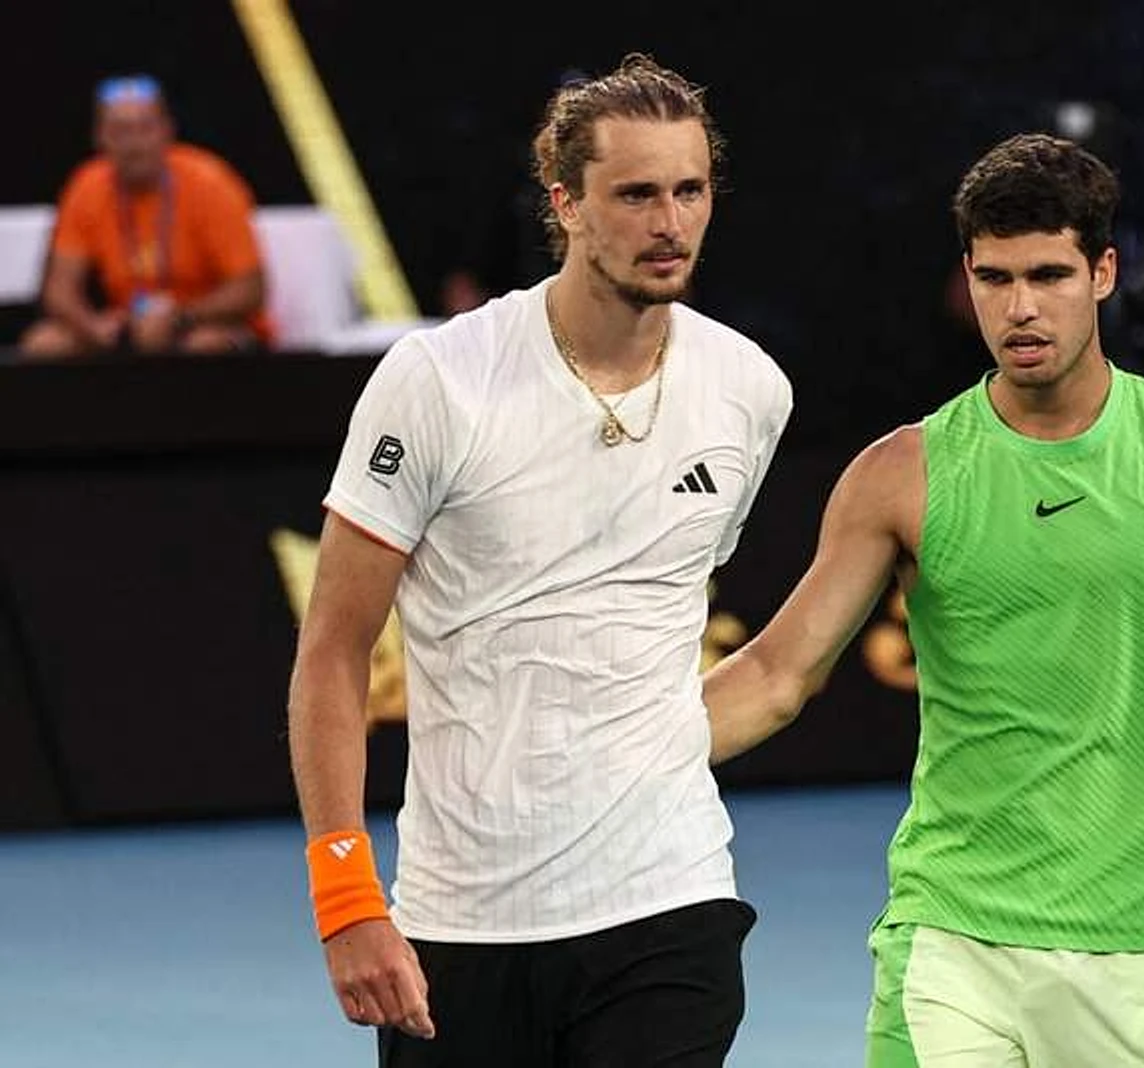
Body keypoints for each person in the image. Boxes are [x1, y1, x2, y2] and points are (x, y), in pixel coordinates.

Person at [701, 132, 1144, 1065]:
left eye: (1048, 276)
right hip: (950, 944)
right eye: (994, 278)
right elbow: (777, 674)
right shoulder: (900, 475)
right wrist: (610, 755)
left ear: (1103, 274)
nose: (1019, 307)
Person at [286, 53, 793, 1067]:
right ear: (565, 204)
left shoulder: (748, 390)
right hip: (462, 924)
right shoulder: (437, 382)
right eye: (636, 194)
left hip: (670, 901)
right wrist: (346, 899)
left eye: (690, 191)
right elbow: (334, 652)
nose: (670, 223)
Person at [19, 75, 273, 359]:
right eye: (120, 131)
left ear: (168, 130)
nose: (134, 144)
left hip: (205, 322)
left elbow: (251, 290)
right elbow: (59, 290)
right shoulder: (87, 185)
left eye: (145, 128)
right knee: (45, 343)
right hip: (129, 325)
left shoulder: (211, 183)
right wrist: (91, 326)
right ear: (99, 136)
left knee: (203, 346)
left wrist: (180, 317)